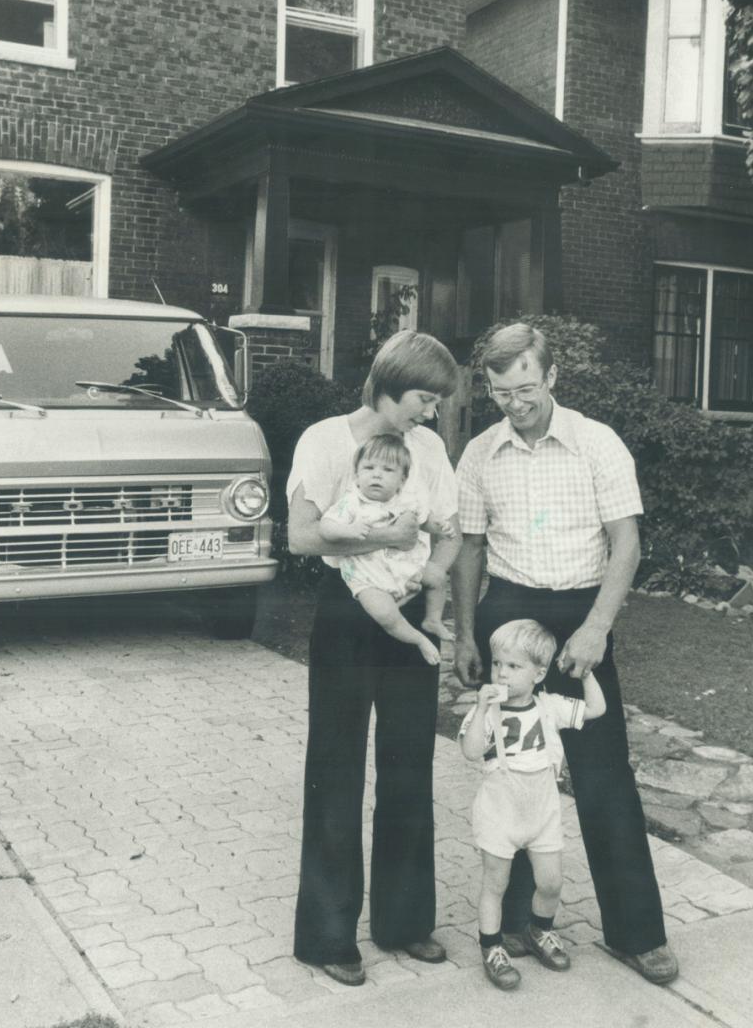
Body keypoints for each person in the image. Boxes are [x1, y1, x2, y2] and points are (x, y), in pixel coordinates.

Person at [450, 322, 680, 986]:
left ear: (549, 376)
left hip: (582, 611)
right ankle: (519, 921)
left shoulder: (596, 443)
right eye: (499, 391)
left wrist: (597, 627)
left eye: (525, 387)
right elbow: (469, 547)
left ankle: (637, 934)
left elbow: (626, 543)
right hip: (511, 611)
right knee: (517, 770)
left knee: (603, 773)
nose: (514, 403)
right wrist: (464, 633)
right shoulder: (479, 454)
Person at [286, 330, 463, 986]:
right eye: (425, 397)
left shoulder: (430, 448)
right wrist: (381, 542)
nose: (432, 411)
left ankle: (405, 923)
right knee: (335, 769)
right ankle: (330, 936)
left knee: (409, 763)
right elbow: (303, 537)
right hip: (348, 612)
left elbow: (446, 533)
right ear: (390, 384)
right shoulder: (326, 440)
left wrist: (430, 574)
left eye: (438, 402)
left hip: (411, 612)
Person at [458, 619, 606, 991]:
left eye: (514, 666)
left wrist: (585, 673)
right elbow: (471, 752)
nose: (502, 673)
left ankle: (539, 930)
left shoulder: (550, 706)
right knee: (496, 882)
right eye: (497, 664)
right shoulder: (489, 712)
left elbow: (597, 709)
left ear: (539, 673)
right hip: (500, 811)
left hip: (541, 812)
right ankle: (491, 948)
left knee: (551, 882)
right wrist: (478, 708)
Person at [318, 434, 451, 666]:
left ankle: (433, 619)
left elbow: (425, 520)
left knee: (438, 576)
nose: (377, 474)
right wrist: (349, 530)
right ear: (357, 476)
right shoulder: (351, 503)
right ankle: (419, 639)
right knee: (386, 615)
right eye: (368, 468)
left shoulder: (406, 500)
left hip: (407, 569)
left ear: (402, 480)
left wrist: (441, 526)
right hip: (368, 577)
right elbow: (326, 527)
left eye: (388, 470)